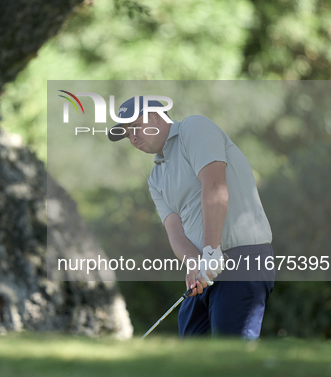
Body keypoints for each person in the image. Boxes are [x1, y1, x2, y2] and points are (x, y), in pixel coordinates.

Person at [108, 96, 275, 339]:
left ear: (155, 116)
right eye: (126, 133)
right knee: (193, 353)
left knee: (232, 360)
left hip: (243, 258)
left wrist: (210, 251)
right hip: (205, 269)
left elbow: (215, 185)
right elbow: (175, 231)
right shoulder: (156, 177)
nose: (132, 138)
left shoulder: (194, 128)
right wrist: (195, 262)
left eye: (135, 127)